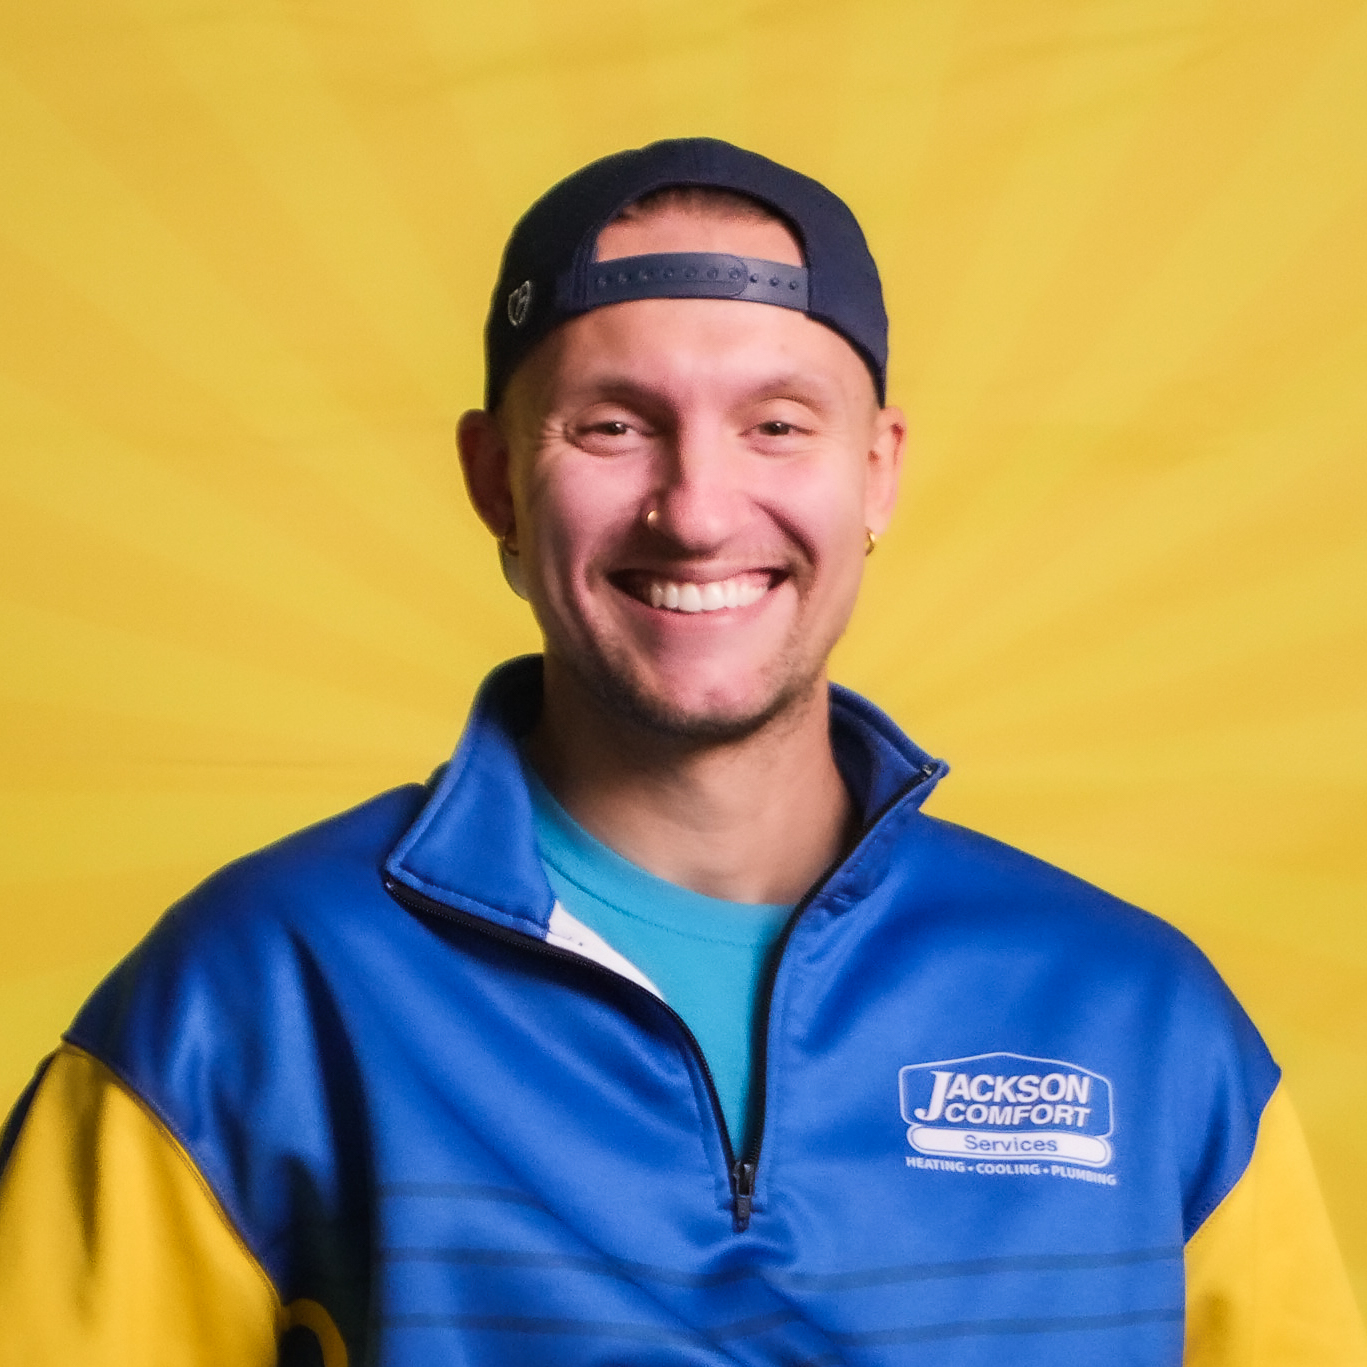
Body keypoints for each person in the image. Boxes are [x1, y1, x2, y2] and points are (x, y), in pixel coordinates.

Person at [0, 137, 1361, 1367]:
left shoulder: (1139, 1016)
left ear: (878, 471)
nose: (698, 511)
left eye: (778, 426)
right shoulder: (248, 995)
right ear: (495, 479)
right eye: (612, 425)